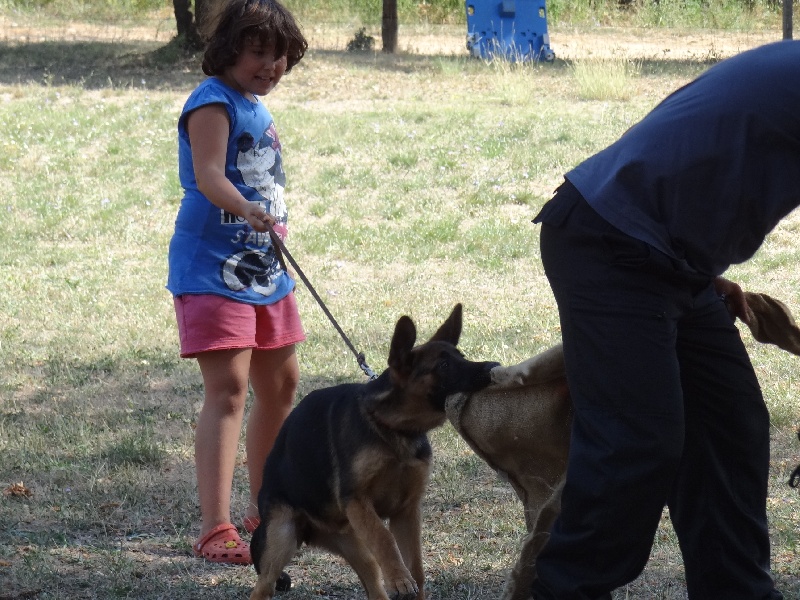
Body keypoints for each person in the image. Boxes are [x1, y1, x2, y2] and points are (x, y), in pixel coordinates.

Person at [530, 40, 800, 599]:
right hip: (610, 243)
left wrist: (697, 248)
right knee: (636, 442)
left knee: (730, 425)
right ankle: (566, 590)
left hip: (673, 258)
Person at [166, 0, 308, 565]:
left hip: (265, 271)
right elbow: (208, 175)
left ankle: (264, 508)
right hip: (212, 271)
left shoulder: (254, 105)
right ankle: (215, 527)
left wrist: (269, 217)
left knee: (282, 385)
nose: (271, 67)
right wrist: (248, 209)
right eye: (259, 53)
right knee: (228, 391)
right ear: (229, 49)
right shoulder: (211, 102)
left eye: (280, 58)